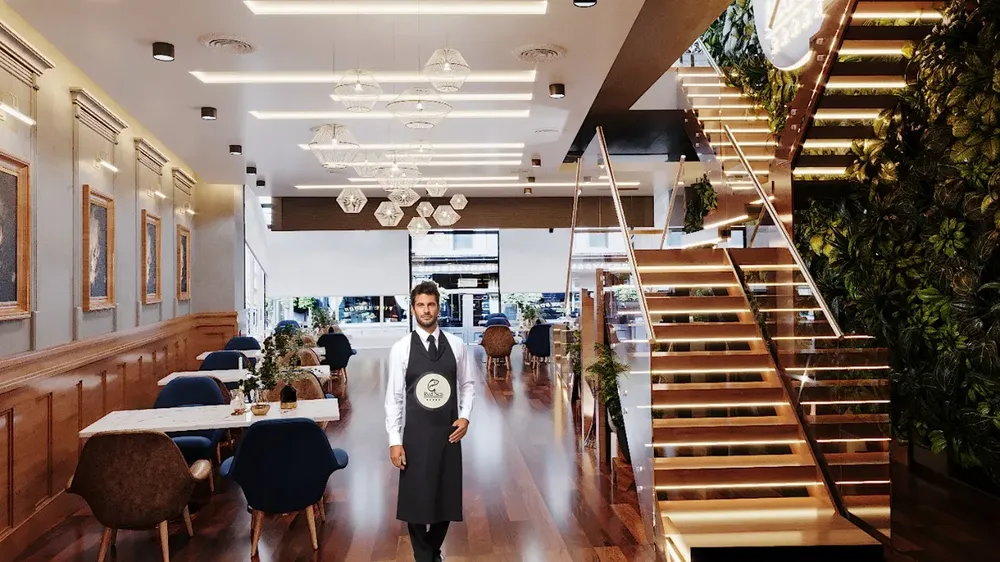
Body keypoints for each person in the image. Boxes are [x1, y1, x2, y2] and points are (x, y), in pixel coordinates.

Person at [385, 281, 475, 562]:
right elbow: (394, 398)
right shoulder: (401, 349)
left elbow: (468, 385)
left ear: (438, 307)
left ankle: (429, 552)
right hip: (415, 434)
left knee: (446, 497)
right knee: (414, 498)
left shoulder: (457, 346)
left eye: (431, 304)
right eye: (421, 305)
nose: (426, 310)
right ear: (413, 309)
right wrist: (394, 441)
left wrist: (465, 416)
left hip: (448, 434)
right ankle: (427, 557)